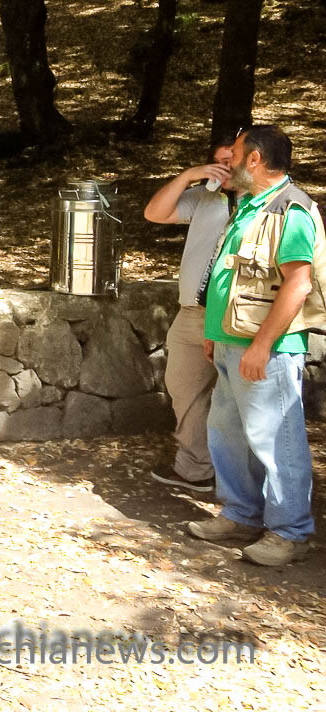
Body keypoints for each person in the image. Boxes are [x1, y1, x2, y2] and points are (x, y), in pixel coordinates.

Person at [186, 125, 324, 567]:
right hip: (231, 341)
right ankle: (241, 514)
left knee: (276, 439)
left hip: (267, 348)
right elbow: (230, 275)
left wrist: (262, 346)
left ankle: (289, 532)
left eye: (238, 152)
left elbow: (297, 284)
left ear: (254, 160)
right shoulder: (250, 205)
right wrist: (213, 332)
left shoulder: (292, 211)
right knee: (227, 433)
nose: (229, 159)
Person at [142, 133, 237, 491]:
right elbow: (154, 213)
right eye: (220, 161)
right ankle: (195, 470)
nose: (226, 168)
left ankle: (241, 488)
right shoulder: (205, 198)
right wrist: (187, 176)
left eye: (232, 160)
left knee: (239, 400)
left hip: (234, 317)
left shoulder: (264, 206)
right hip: (192, 314)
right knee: (183, 387)